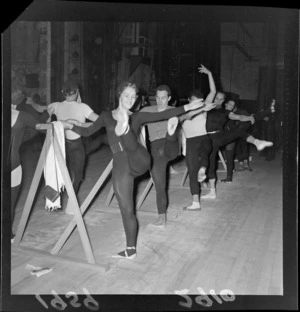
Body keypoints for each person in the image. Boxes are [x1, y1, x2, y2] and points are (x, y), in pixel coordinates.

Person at [62, 81, 203, 259]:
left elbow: (166, 112)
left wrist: (188, 106)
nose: (130, 99)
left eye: (133, 96)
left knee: (129, 137)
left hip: (139, 159)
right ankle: (130, 250)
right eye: (126, 96)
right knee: (126, 209)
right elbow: (88, 132)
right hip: (121, 166)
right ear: (119, 96)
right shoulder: (106, 116)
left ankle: (126, 129)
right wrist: (70, 126)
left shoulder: (138, 116)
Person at [202, 91, 273, 199]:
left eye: (221, 99)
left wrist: (248, 118)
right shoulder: (206, 108)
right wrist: (208, 74)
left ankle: (257, 142)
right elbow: (211, 92)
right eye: (217, 98)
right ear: (213, 98)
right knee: (211, 165)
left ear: (223, 102)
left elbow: (238, 117)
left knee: (239, 131)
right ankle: (212, 191)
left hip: (221, 137)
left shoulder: (225, 112)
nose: (219, 101)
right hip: (209, 139)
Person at [47, 80, 98, 207]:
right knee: (78, 175)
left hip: (60, 144)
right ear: (77, 92)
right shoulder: (83, 107)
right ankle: (72, 202)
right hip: (76, 144)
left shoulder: (56, 105)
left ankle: (51, 202)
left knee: (55, 172)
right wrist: (80, 124)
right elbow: (99, 121)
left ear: (62, 93)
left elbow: (44, 110)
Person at [138, 84, 182, 227]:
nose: (160, 101)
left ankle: (170, 130)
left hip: (171, 145)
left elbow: (190, 114)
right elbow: (132, 121)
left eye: (164, 98)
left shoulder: (174, 110)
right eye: (158, 98)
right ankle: (161, 217)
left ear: (169, 98)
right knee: (159, 185)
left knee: (167, 142)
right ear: (155, 98)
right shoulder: (147, 110)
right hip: (156, 150)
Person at [10, 87, 50, 242]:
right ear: (20, 100)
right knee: (10, 202)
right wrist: (49, 113)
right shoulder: (23, 116)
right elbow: (42, 127)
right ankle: (8, 235)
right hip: (12, 162)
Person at [179, 65, 217, 210]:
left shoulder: (199, 108)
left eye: (199, 102)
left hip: (195, 141)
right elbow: (213, 91)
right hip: (201, 140)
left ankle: (196, 202)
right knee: (202, 159)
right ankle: (203, 168)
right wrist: (209, 74)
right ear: (189, 100)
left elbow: (213, 91)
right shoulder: (194, 110)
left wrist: (209, 74)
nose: (197, 104)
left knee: (192, 170)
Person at [221, 95, 253, 183]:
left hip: (229, 137)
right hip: (218, 137)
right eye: (230, 104)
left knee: (229, 156)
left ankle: (229, 177)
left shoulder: (233, 114)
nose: (231, 106)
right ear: (225, 104)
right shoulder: (220, 112)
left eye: (233, 105)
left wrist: (249, 118)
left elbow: (239, 118)